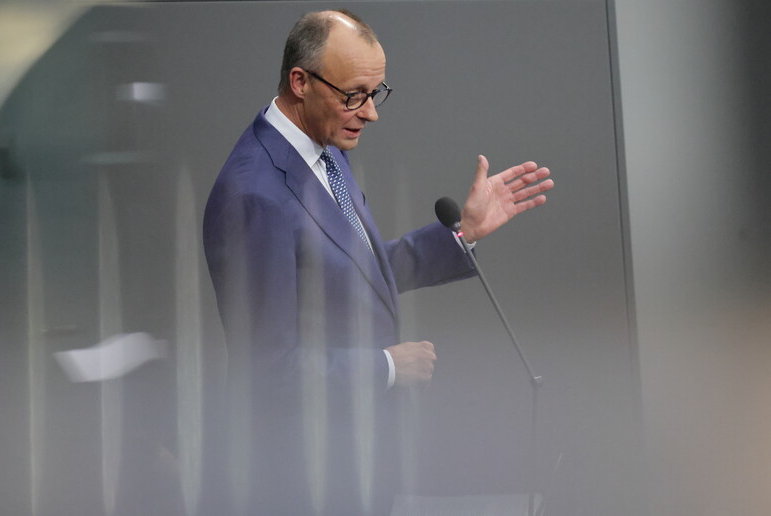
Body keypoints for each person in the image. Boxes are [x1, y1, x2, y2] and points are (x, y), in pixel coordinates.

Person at [203, 9, 553, 516]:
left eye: (375, 93)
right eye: (354, 95)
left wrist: (463, 234)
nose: (370, 113)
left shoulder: (322, 148)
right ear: (300, 82)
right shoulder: (254, 195)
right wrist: (386, 367)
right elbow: (269, 370)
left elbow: (353, 271)